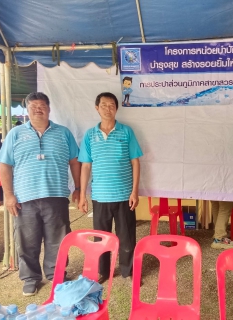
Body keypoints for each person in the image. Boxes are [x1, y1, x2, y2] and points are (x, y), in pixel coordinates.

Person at [0, 92, 81, 296]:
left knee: (58, 240)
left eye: (42, 105)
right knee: (27, 241)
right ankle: (30, 278)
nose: (37, 109)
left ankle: (56, 275)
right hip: (25, 199)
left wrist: (78, 188)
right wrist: (8, 195)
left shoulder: (63, 133)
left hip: (56, 195)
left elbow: (74, 162)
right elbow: (5, 165)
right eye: (33, 106)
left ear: (49, 109)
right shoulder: (15, 134)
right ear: (27, 110)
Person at [78, 92, 142, 283]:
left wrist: (135, 191)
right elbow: (86, 166)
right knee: (101, 238)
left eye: (112, 104)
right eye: (104, 105)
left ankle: (127, 271)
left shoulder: (127, 131)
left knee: (127, 237)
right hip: (100, 196)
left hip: (124, 195)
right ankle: (103, 272)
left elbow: (135, 162)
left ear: (117, 108)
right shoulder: (90, 135)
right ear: (97, 108)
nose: (108, 108)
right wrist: (83, 196)